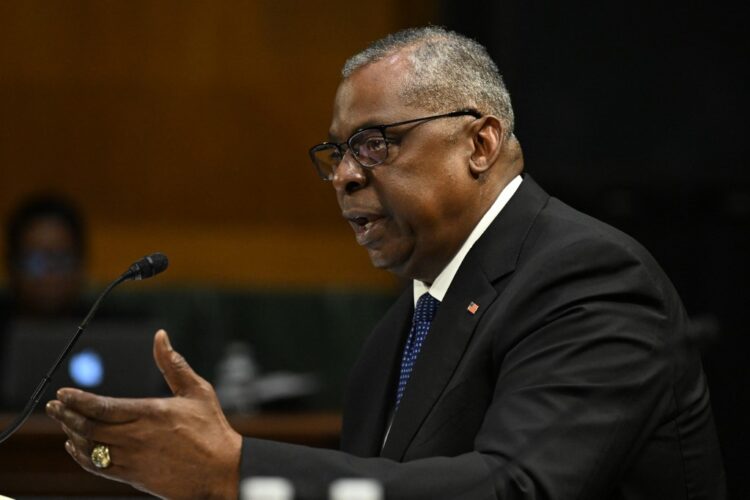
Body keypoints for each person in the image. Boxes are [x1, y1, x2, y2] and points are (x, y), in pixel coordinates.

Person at [44, 27, 725, 499]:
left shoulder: (589, 279)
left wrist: (239, 472)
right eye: (335, 154)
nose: (343, 176)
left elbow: (515, 487)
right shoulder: (393, 343)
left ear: (480, 142)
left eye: (373, 145)